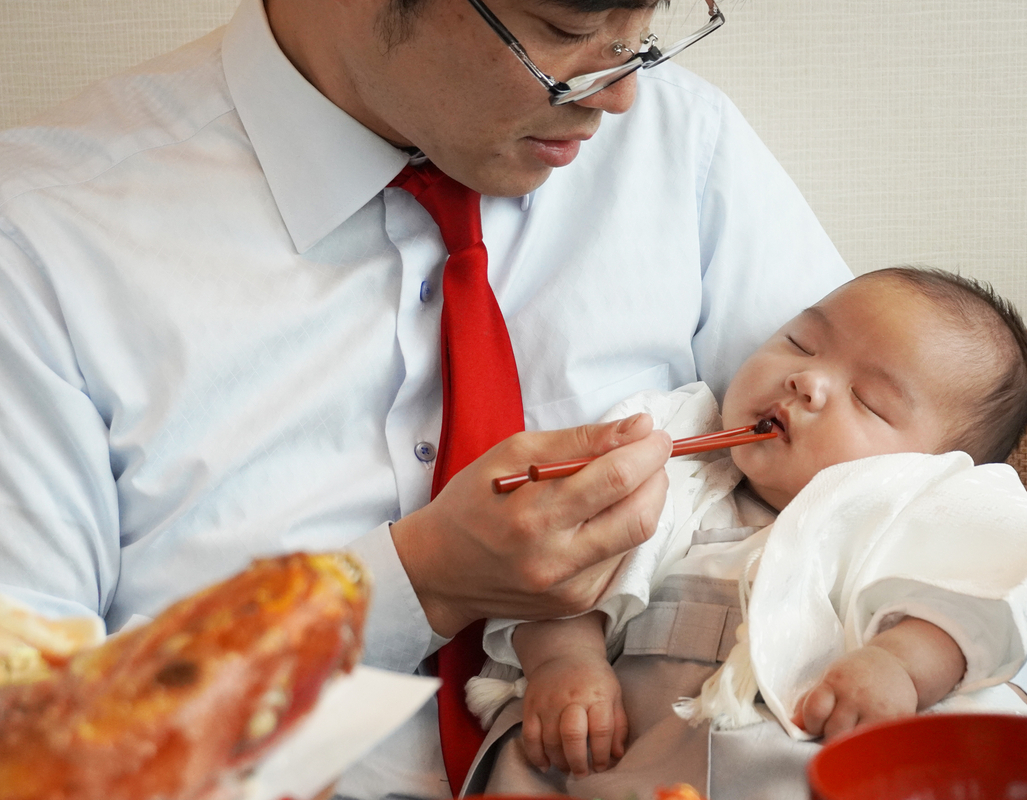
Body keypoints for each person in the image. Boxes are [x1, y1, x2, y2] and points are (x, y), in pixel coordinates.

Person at [0, 0, 863, 798]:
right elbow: (30, 755)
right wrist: (419, 584)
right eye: (569, 27)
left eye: (648, 20)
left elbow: (922, 493)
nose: (625, 91)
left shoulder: (684, 148)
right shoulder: (36, 246)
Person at [463, 267, 1027, 798]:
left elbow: (978, 599)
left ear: (935, 468)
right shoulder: (673, 450)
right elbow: (561, 566)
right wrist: (565, 661)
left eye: (869, 400)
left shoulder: (928, 508)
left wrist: (900, 665)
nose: (805, 379)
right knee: (532, 754)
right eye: (799, 342)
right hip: (622, 755)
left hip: (809, 760)